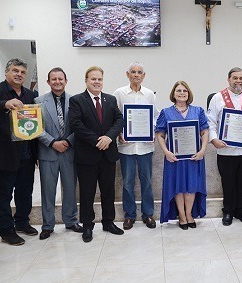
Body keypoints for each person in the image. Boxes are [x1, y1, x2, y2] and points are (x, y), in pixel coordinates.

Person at [69, 66, 124, 243]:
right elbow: (76, 125)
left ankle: (108, 222)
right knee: (87, 193)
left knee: (108, 191)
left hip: (108, 154)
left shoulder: (111, 99)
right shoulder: (77, 100)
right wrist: (97, 140)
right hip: (87, 156)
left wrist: (109, 137)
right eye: (93, 79)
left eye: (99, 79)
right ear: (86, 81)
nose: (96, 82)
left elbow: (119, 120)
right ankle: (87, 226)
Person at [34, 67, 84, 240]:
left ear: (66, 80)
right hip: (48, 152)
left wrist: (69, 141)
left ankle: (71, 221)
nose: (57, 82)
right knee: (48, 191)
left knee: (70, 188)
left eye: (60, 79)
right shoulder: (38, 101)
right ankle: (48, 225)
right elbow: (35, 128)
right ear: (48, 82)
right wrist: (52, 142)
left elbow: (80, 126)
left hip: (70, 151)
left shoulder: (76, 101)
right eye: (53, 79)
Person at [0, 58, 38, 245]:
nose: (19, 74)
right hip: (4, 154)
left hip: (27, 153)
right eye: (15, 71)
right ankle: (6, 230)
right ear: (6, 72)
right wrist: (4, 104)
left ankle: (22, 222)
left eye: (22, 72)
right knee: (3, 194)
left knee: (25, 191)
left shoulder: (30, 94)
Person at [156, 81, 209, 229]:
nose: (182, 93)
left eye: (185, 90)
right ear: (173, 94)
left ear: (189, 93)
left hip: (194, 156)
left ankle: (190, 213)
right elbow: (160, 135)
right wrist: (166, 152)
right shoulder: (165, 112)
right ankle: (182, 215)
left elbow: (204, 132)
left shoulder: (198, 111)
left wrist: (203, 150)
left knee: (191, 185)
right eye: (178, 90)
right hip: (174, 158)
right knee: (178, 186)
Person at [207, 67, 242, 226]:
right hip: (225, 149)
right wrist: (214, 140)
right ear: (228, 79)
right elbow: (211, 122)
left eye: (241, 78)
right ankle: (228, 211)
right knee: (227, 182)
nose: (238, 81)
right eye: (235, 78)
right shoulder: (217, 98)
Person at [113, 62, 159, 230]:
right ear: (127, 74)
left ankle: (148, 214)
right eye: (133, 72)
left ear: (143, 76)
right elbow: (115, 118)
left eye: (139, 72)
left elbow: (154, 117)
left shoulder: (149, 94)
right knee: (127, 182)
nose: (136, 75)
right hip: (127, 147)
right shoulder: (119, 93)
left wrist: (152, 131)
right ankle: (130, 215)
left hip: (145, 146)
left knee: (146, 182)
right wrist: (118, 133)